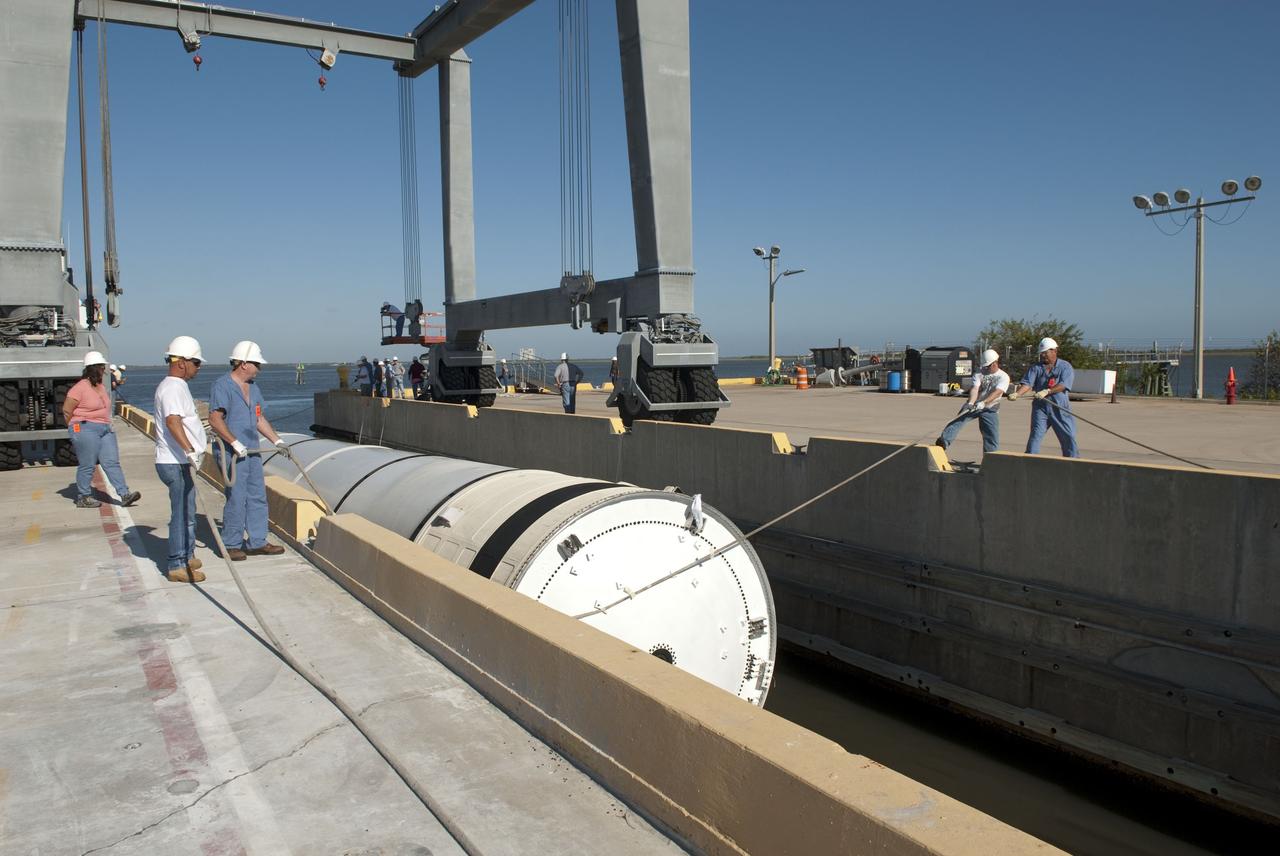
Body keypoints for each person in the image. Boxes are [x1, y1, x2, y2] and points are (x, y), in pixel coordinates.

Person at [208, 341, 288, 562]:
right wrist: (234, 442)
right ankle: (232, 543)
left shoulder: (254, 388)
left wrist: (277, 440)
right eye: (256, 364)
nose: (259, 369)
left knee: (257, 495)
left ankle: (257, 541)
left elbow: (259, 418)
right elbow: (215, 419)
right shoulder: (222, 386)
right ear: (243, 364)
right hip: (232, 453)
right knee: (237, 496)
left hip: (251, 451)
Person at [153, 335, 208, 583]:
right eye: (196, 362)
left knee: (188, 511)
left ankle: (186, 555)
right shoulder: (173, 387)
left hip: (180, 461)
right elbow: (173, 421)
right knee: (181, 513)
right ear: (182, 362)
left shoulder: (177, 386)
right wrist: (189, 450)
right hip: (174, 462)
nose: (199, 367)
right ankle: (176, 563)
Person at [63, 351, 141, 508]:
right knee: (88, 464)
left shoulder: (100, 386)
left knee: (111, 462)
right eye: (101, 367)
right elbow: (67, 410)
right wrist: (76, 429)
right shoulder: (80, 387)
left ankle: (124, 493)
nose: (104, 370)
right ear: (94, 368)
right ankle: (83, 496)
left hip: (105, 428)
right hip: (84, 427)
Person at [1007, 337, 1079, 458]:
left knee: (1067, 435)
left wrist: (1047, 391)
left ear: (1054, 351)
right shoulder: (1036, 367)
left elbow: (1063, 385)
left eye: (1045, 353)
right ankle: (1030, 459)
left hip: (1059, 407)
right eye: (1041, 353)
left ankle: (1073, 460)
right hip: (1041, 407)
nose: (1043, 356)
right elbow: (1027, 384)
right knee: (1036, 434)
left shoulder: (1065, 367)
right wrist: (1018, 393)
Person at [935, 349, 1008, 454]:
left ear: (995, 363)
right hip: (974, 405)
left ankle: (991, 456)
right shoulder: (979, 373)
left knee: (991, 434)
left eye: (987, 366)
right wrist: (971, 403)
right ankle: (944, 442)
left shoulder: (1003, 377)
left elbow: (997, 392)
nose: (985, 368)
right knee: (958, 421)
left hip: (990, 408)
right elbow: (975, 388)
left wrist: (984, 402)